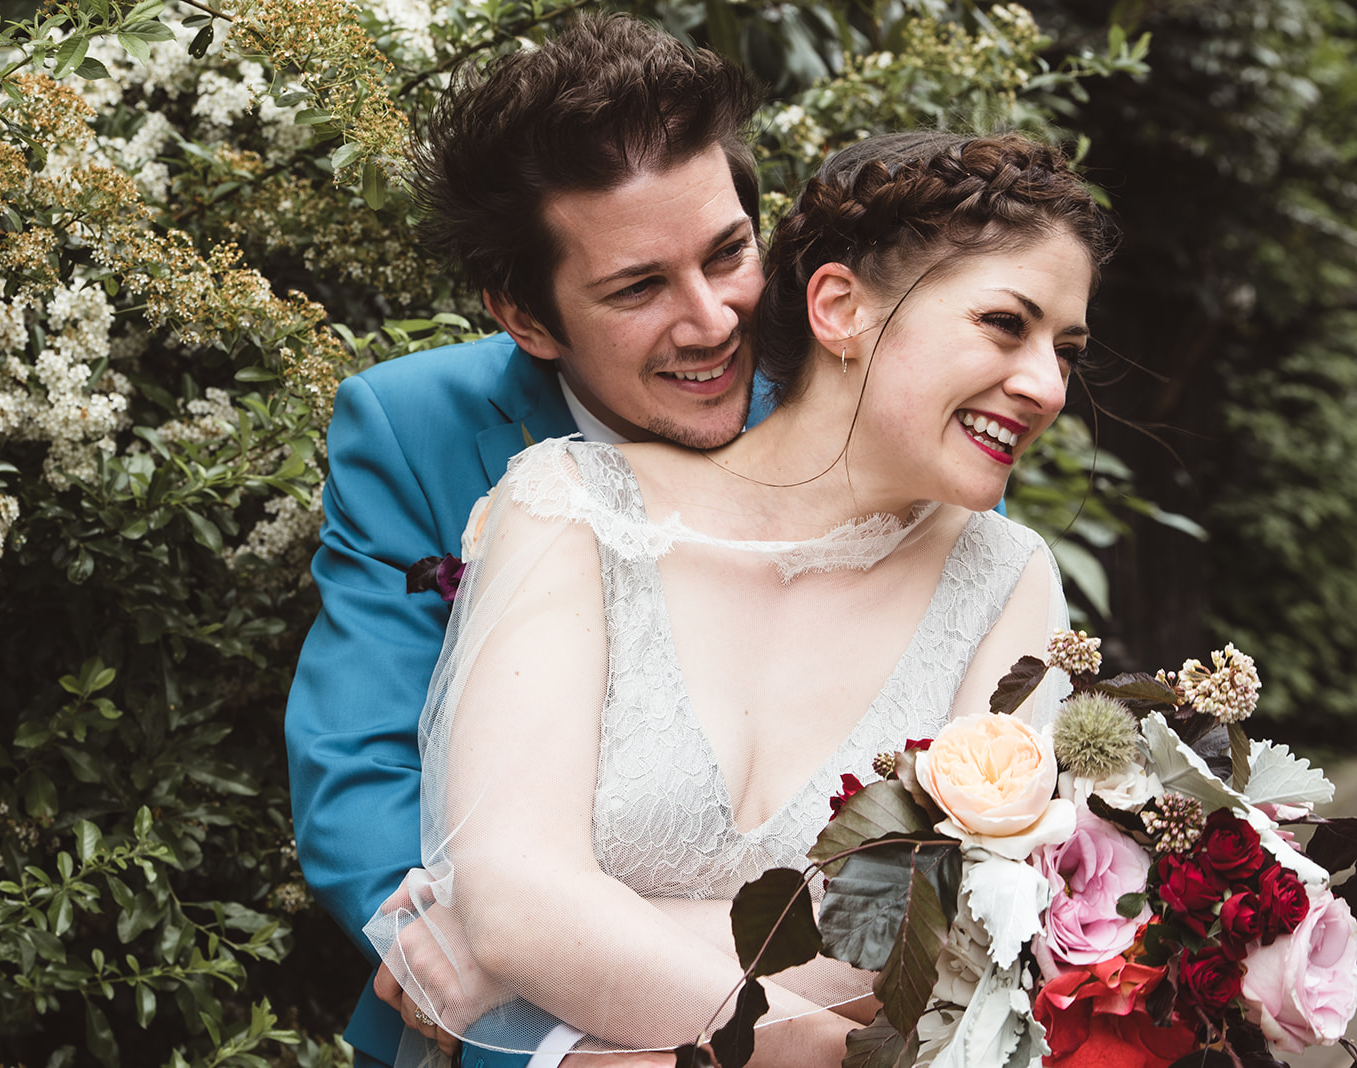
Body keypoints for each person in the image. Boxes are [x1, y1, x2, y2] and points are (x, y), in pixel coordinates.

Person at [364, 129, 1115, 1068]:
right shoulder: (572, 508)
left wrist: (616, 1041)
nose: (1046, 385)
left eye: (1067, 349)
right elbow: (518, 904)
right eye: (1005, 325)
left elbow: (962, 951)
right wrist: (819, 1045)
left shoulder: (1010, 579)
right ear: (840, 306)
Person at [283, 17, 765, 1068]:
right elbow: (356, 758)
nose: (713, 320)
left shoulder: (874, 418)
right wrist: (478, 991)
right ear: (526, 316)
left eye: (728, 254)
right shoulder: (409, 431)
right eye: (639, 287)